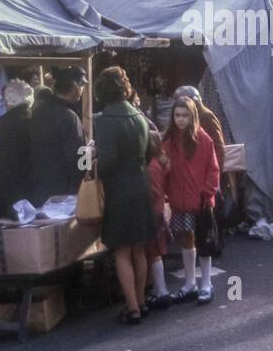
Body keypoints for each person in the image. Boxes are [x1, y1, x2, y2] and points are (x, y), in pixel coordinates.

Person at [92, 67, 156, 325]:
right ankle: (140, 300)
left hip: (119, 186)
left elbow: (107, 161)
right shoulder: (139, 116)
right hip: (141, 182)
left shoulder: (105, 120)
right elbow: (150, 150)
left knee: (121, 251)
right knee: (139, 249)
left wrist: (92, 161)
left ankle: (132, 309)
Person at [161, 95, 221, 305]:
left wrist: (208, 191)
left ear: (192, 116)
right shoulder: (168, 141)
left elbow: (213, 169)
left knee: (204, 241)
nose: (181, 119)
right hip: (180, 199)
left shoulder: (204, 140)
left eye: (185, 115)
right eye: (177, 115)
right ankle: (189, 283)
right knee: (186, 239)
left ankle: (206, 283)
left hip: (201, 200)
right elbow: (163, 168)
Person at [27, 67, 85, 205]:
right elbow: (79, 161)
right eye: (82, 86)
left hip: (37, 189)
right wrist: (90, 153)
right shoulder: (70, 117)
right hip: (63, 194)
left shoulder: (37, 113)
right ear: (75, 87)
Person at [0, 80, 35, 218]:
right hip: (33, 186)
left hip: (8, 189)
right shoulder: (35, 118)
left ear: (9, 101)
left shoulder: (6, 122)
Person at [143, 128, 173, 310]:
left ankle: (161, 291)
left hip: (153, 213)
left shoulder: (151, 167)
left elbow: (154, 193)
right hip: (160, 211)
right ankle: (158, 289)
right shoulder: (160, 163)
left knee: (153, 252)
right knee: (156, 252)